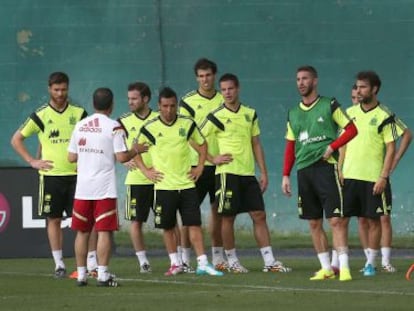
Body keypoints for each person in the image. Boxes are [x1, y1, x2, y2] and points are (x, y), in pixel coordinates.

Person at [201, 73, 290, 274]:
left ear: (238, 89)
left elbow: (256, 143)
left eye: (230, 89)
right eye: (223, 90)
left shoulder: (250, 113)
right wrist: (212, 159)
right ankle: (232, 260)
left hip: (247, 174)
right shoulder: (216, 115)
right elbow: (195, 138)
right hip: (226, 174)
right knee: (228, 217)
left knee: (259, 215)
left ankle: (269, 261)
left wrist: (264, 172)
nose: (227, 93)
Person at [135, 86, 223, 277]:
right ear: (159, 106)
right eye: (165, 106)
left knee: (193, 224)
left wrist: (200, 167)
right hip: (164, 186)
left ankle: (202, 263)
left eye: (172, 106)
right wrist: (146, 171)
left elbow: (202, 145)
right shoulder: (150, 127)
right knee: (167, 227)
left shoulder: (187, 123)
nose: (169, 110)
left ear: (176, 106)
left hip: (187, 184)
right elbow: (136, 150)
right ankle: (175, 263)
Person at [281, 66, 357, 281]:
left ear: (315, 81)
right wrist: (285, 174)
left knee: (335, 220)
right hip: (304, 171)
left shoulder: (329, 104)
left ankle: (344, 268)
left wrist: (333, 147)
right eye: (298, 79)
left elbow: (351, 129)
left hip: (326, 168)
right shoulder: (293, 113)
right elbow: (290, 145)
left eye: (305, 78)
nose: (301, 83)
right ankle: (325, 268)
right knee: (313, 222)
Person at [11, 72, 88, 278]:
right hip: (51, 177)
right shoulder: (41, 115)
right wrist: (32, 161)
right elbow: (16, 139)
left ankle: (89, 263)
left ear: (68, 88)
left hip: (77, 176)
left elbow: (91, 140)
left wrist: (86, 162)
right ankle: (59, 264)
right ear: (49, 89)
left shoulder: (80, 114)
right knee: (53, 220)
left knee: (82, 221)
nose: (60, 93)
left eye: (63, 89)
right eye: (56, 89)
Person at [68, 87, 147, 287]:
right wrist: (136, 150)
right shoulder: (114, 127)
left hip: (83, 189)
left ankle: (82, 274)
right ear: (111, 105)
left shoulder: (80, 125)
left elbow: (71, 157)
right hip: (104, 189)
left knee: (82, 232)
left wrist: (87, 154)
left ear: (93, 104)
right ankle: (103, 275)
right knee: (103, 232)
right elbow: (122, 158)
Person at [340, 71, 410, 276]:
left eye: (363, 87)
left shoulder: (384, 116)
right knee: (341, 220)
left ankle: (371, 263)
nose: (359, 90)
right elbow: (342, 144)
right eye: (357, 86)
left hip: (373, 178)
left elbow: (391, 148)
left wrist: (383, 176)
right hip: (350, 176)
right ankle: (341, 264)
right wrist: (340, 169)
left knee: (373, 220)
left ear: (374, 89)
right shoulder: (349, 112)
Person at [178, 58, 227, 272]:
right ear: (196, 78)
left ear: (214, 75)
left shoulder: (224, 98)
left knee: (218, 212)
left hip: (221, 167)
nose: (205, 79)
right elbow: (186, 135)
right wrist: (208, 158)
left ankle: (218, 256)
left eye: (208, 75)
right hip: (194, 166)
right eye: (201, 76)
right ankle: (184, 258)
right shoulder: (187, 101)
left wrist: (218, 160)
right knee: (189, 214)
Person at [118, 82, 158, 273]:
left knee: (169, 222)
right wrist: (123, 161)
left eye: (134, 98)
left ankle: (179, 260)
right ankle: (143, 262)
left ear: (146, 99)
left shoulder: (160, 118)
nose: (130, 102)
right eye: (129, 99)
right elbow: (112, 147)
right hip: (136, 180)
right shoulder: (122, 122)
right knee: (136, 222)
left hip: (161, 178)